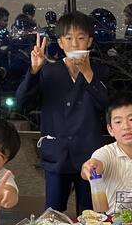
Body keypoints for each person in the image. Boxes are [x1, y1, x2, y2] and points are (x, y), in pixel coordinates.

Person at [16, 11, 108, 214]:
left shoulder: (100, 71)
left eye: (81, 38)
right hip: (57, 155)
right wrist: (34, 71)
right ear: (60, 43)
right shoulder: (49, 71)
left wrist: (88, 73)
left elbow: (107, 107)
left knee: (91, 214)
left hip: (90, 156)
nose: (75, 44)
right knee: (53, 214)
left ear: (89, 41)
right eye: (68, 38)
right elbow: (23, 104)